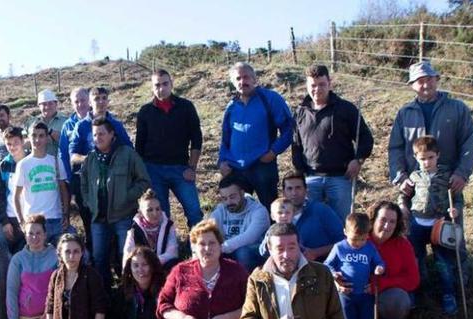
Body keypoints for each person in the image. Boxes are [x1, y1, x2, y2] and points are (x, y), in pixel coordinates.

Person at [292, 64, 373, 221]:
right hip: (310, 178)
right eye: (313, 85)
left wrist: (358, 160)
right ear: (306, 86)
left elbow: (365, 137)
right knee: (310, 223)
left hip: (341, 178)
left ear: (330, 83)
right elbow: (296, 145)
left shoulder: (346, 109)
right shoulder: (300, 112)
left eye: (322, 84)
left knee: (341, 223)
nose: (317, 89)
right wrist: (299, 173)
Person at [388, 61, 473, 200]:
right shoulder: (405, 114)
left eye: (429, 79)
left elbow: (468, 144)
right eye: (420, 81)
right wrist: (400, 177)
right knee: (412, 222)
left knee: (449, 222)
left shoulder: (458, 109)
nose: (426, 84)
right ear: (412, 86)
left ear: (436, 79)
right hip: (413, 187)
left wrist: (461, 174)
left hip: (448, 186)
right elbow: (395, 148)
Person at [79, 117, 151, 281]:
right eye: (95, 135)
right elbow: (83, 182)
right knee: (99, 257)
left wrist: (127, 196)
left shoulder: (127, 154)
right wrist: (89, 201)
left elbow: (144, 180)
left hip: (123, 216)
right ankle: (105, 297)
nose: (98, 138)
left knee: (126, 256)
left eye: (102, 134)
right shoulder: (91, 158)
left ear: (112, 134)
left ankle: (129, 295)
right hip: (98, 218)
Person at [403, 136, 466, 315]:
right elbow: (404, 196)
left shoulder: (447, 176)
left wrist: (456, 210)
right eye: (422, 158)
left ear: (438, 155)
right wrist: (403, 208)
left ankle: (448, 294)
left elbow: (458, 198)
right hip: (417, 224)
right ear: (416, 158)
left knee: (443, 262)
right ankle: (414, 291)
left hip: (440, 224)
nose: (427, 162)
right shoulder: (414, 177)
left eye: (430, 157)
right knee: (415, 260)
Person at [218, 62, 294, 211]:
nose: (242, 81)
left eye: (246, 77)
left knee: (270, 210)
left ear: (254, 79)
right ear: (233, 83)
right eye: (238, 78)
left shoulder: (270, 99)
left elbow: (289, 129)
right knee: (238, 213)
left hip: (262, 166)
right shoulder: (231, 107)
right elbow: (225, 138)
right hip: (236, 169)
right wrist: (222, 161)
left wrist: (273, 152)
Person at [135, 69, 204, 227]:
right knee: (161, 215)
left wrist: (192, 168)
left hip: (181, 168)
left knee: (194, 211)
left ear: (171, 84)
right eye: (157, 85)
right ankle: (167, 248)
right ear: (152, 88)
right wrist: (142, 173)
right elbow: (139, 146)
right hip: (153, 170)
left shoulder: (186, 107)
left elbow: (197, 138)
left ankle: (199, 246)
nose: (161, 88)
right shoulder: (145, 112)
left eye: (165, 83)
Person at [342, 201, 419, 319]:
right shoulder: (358, 239)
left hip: (384, 294)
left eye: (392, 222)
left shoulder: (403, 245)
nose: (386, 226)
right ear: (373, 220)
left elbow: (413, 280)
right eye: (383, 220)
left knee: (399, 300)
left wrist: (381, 284)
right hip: (355, 292)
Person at [324, 213, 386, 319]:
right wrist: (334, 274)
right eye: (354, 239)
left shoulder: (370, 248)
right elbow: (327, 265)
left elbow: (379, 262)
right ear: (345, 232)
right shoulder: (339, 247)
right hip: (346, 295)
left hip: (365, 295)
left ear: (368, 235)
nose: (358, 243)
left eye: (363, 239)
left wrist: (380, 268)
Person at [14, 122, 71, 245]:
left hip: (56, 219)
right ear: (28, 138)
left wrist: (66, 214)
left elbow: (64, 190)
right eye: (33, 135)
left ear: (47, 138)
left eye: (41, 136)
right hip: (34, 222)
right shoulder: (23, 164)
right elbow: (16, 196)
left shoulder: (56, 161)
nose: (37, 139)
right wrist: (21, 221)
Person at [207, 174, 269, 271]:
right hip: (226, 250)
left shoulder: (259, 211)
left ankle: (245, 283)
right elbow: (206, 231)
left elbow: (249, 237)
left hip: (253, 253)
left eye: (232, 197)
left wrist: (219, 248)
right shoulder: (221, 210)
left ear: (242, 193)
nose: (229, 202)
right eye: (224, 198)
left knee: (243, 252)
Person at [282, 173, 344, 262]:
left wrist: (316, 252)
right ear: (284, 193)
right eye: (289, 189)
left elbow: (343, 242)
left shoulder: (321, 210)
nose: (294, 193)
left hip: (321, 265)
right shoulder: (279, 214)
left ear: (306, 190)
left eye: (298, 188)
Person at [68, 86, 133, 167]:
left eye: (104, 98)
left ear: (108, 101)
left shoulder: (116, 125)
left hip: (114, 173)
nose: (101, 101)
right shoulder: (81, 126)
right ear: (90, 103)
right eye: (97, 99)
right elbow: (73, 156)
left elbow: (129, 149)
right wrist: (89, 159)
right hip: (90, 174)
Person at [60, 87, 92, 244]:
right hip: (78, 179)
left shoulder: (98, 119)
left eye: (83, 100)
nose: (80, 104)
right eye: (76, 101)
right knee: (85, 214)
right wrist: (68, 178)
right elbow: (64, 154)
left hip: (100, 177)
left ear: (89, 100)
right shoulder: (68, 125)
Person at [121, 189, 178, 271]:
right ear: (140, 213)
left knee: (174, 263)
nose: (155, 213)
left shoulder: (168, 226)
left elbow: (172, 253)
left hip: (162, 268)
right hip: (142, 270)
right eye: (149, 210)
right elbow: (127, 256)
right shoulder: (133, 230)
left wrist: (152, 262)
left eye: (157, 209)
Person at [0, 126, 27, 253]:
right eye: (8, 144)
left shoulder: (31, 162)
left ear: (22, 141)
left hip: (29, 217)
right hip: (9, 218)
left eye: (16, 143)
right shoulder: (3, 167)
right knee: (4, 250)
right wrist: (4, 222)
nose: (12, 147)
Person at [25, 89, 68, 158]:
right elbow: (24, 142)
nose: (47, 107)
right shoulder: (31, 122)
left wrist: (51, 132)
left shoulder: (65, 121)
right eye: (44, 104)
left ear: (56, 104)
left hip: (59, 163)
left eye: (50, 103)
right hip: (36, 164)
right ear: (39, 106)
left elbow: (69, 141)